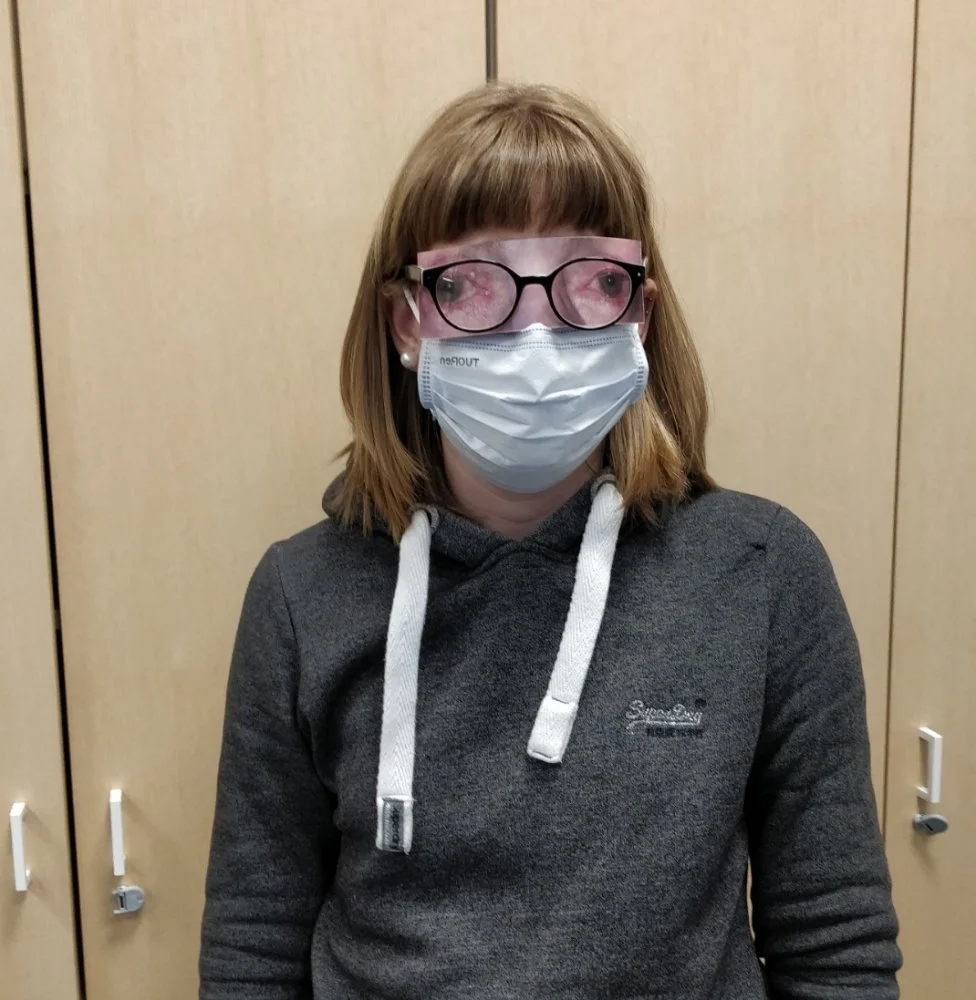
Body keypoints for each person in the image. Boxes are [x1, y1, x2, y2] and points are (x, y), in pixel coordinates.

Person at [198, 82, 902, 999]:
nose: (536, 334)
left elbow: (836, 943)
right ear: (408, 322)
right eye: (473, 282)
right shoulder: (303, 594)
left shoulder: (761, 574)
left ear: (639, 314)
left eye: (591, 280)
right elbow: (252, 948)